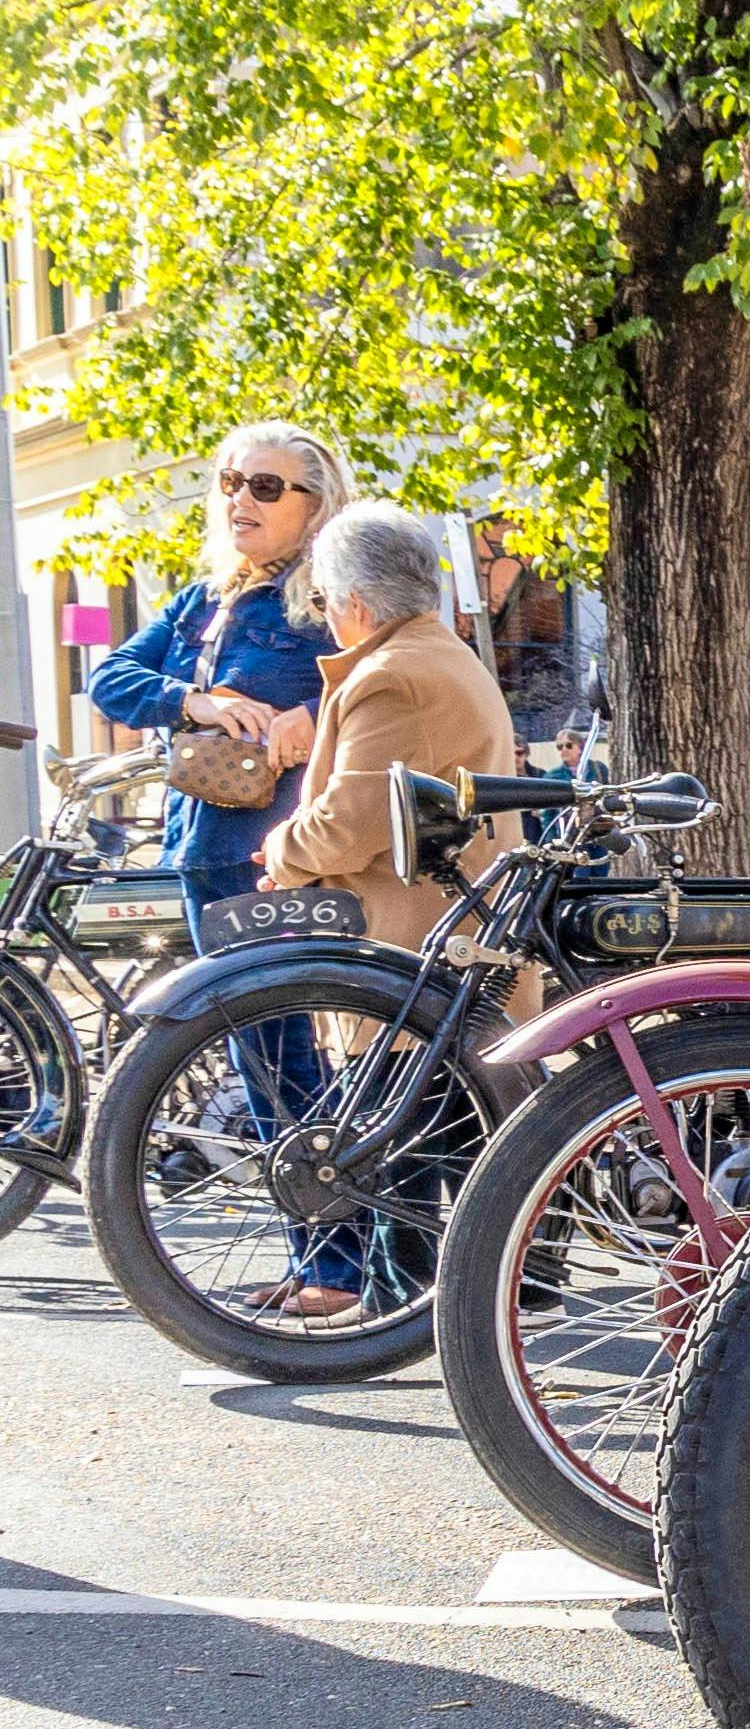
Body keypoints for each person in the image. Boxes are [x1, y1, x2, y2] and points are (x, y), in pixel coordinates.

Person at [241, 503, 530, 1318]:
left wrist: (282, 850)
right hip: (447, 938)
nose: (325, 616)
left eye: (324, 600)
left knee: (402, 1140)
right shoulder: (435, 657)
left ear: (357, 604)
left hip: (412, 949)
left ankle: (403, 1305)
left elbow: (350, 821)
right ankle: (469, 1294)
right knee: (450, 1134)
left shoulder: (391, 677)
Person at [87, 421, 351, 913]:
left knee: (281, 969)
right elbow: (108, 681)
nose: (241, 499)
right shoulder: (200, 601)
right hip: (193, 847)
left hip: (283, 859)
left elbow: (398, 681)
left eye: (265, 487)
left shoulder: (334, 602)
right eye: (232, 482)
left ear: (315, 505)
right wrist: (195, 703)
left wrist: (317, 715)